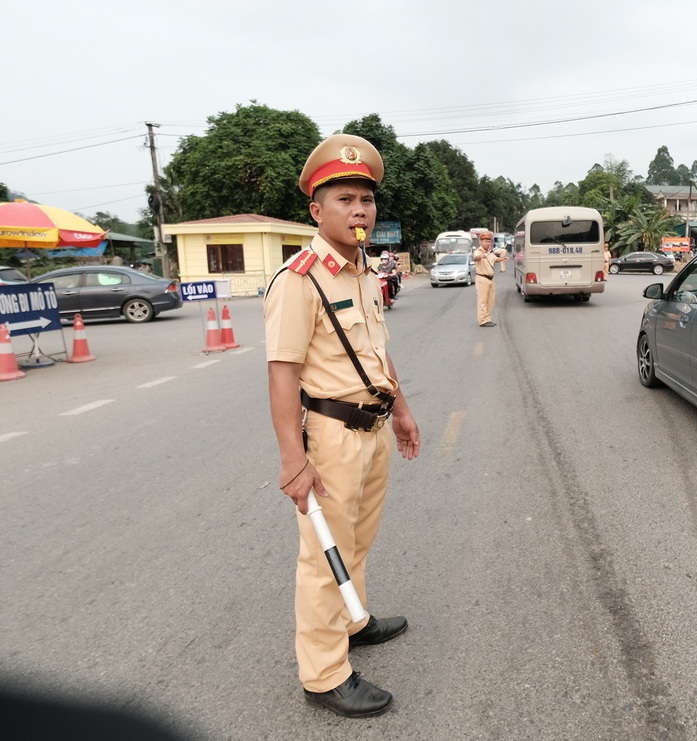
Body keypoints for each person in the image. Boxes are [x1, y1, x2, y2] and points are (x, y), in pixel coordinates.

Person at [264, 134, 420, 718]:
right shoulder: (299, 279)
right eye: (346, 199)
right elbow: (281, 375)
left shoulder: (362, 272)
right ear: (316, 209)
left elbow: (378, 353)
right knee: (322, 556)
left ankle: (353, 621)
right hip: (329, 436)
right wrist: (292, 460)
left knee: (357, 541)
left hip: (374, 429)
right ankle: (325, 674)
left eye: (367, 200)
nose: (360, 210)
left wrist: (401, 411)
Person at [473, 231, 507, 326]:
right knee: (482, 301)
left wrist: (502, 259)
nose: (488, 243)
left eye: (489, 241)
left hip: (491, 279)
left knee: (490, 301)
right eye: (485, 241)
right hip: (482, 279)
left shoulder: (490, 252)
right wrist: (481, 256)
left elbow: (495, 259)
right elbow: (475, 258)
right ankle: (482, 321)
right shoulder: (478, 251)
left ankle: (487, 319)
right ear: (481, 242)